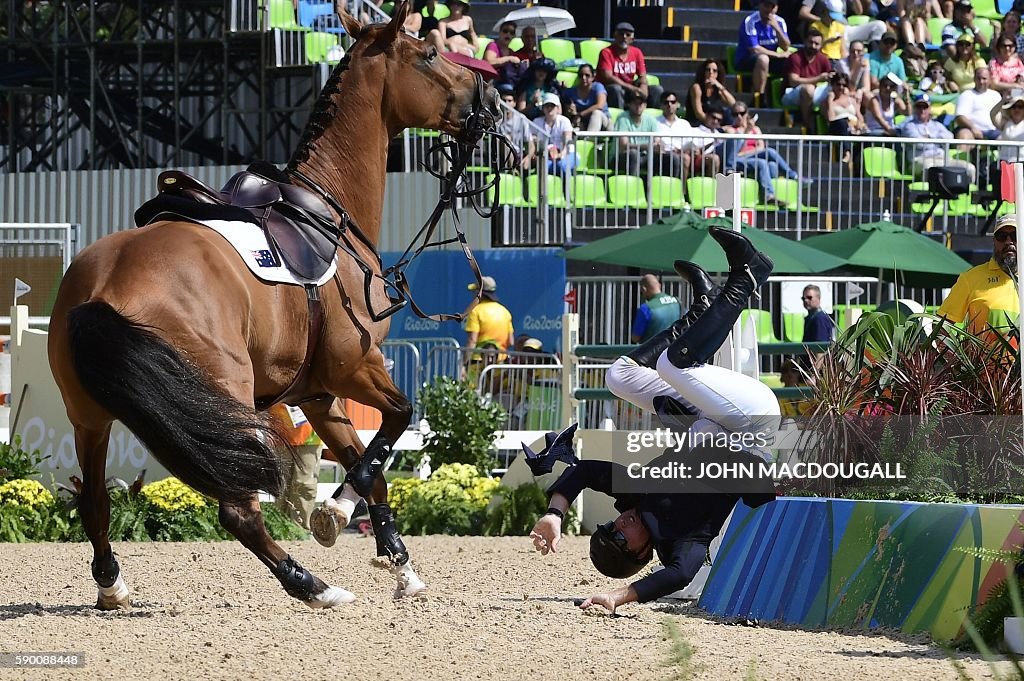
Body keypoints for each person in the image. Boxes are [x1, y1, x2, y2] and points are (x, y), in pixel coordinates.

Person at [532, 229, 780, 613]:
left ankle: (703, 307)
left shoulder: (634, 495)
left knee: (620, 376)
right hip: (752, 425)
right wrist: (619, 596)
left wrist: (554, 513)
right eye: (619, 536)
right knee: (672, 365)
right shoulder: (683, 541)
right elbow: (679, 576)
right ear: (640, 552)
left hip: (709, 421)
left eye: (610, 527)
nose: (619, 523)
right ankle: (747, 277)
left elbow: (585, 471)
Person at [937, 214, 1019, 337]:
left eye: (1015, 235)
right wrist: (951, 356)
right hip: (984, 357)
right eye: (1001, 236)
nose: (1008, 241)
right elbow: (940, 327)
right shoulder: (971, 278)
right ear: (994, 241)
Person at [731, 103, 810, 192]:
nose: (739, 117)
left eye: (741, 113)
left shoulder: (755, 129)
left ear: (746, 113)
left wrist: (753, 151)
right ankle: (792, 176)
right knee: (768, 153)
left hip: (754, 156)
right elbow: (737, 152)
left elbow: (761, 147)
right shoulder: (732, 130)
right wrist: (746, 133)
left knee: (772, 165)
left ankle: (772, 195)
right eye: (735, 114)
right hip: (740, 159)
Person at [900, 93, 977, 182]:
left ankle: (966, 194)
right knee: (929, 168)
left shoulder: (937, 125)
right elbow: (919, 143)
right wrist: (938, 139)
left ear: (929, 109)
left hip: (943, 158)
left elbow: (950, 138)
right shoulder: (909, 126)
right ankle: (928, 194)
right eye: (919, 107)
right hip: (920, 159)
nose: (922, 110)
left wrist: (929, 137)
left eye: (925, 107)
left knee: (970, 168)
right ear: (915, 108)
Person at [268, 402, 322, 531]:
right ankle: (281, 527)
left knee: (304, 483)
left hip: (310, 436)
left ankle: (300, 528)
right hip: (280, 433)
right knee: (281, 484)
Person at [734, 0, 793, 102]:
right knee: (763, 59)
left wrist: (777, 28)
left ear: (776, 8)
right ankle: (759, 98)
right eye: (766, 6)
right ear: (760, 6)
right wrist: (778, 55)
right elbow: (755, 49)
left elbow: (786, 46)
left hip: (771, 59)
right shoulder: (750, 21)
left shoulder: (780, 22)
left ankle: (785, 96)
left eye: (772, 7)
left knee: (792, 61)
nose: (769, 10)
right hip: (746, 58)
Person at [597, 22, 663, 109]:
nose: (624, 37)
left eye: (628, 35)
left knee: (657, 89)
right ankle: (619, 118)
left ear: (632, 39)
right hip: (612, 89)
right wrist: (632, 88)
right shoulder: (606, 52)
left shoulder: (637, 52)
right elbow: (608, 77)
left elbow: (642, 76)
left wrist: (644, 87)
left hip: (630, 89)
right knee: (615, 89)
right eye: (621, 34)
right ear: (615, 36)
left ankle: (651, 119)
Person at [782, 30, 834, 129]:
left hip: (814, 92)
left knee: (834, 90)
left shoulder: (823, 58)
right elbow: (793, 81)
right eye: (811, 42)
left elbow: (830, 76)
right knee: (808, 89)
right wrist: (818, 79)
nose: (813, 46)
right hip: (791, 93)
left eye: (817, 44)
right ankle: (807, 125)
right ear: (805, 41)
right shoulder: (795, 57)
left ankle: (833, 126)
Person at [613, 89, 671, 176]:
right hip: (620, 158)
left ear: (645, 105)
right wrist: (647, 146)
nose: (638, 105)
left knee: (673, 158)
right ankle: (633, 188)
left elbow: (657, 141)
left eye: (641, 103)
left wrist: (658, 146)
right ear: (629, 104)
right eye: (635, 102)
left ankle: (672, 188)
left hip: (645, 157)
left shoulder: (651, 119)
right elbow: (624, 145)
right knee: (633, 155)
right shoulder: (622, 118)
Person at [464, 275, 515, 355]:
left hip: (479, 363)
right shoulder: (505, 312)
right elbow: (511, 342)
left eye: (474, 291)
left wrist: (465, 362)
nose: (473, 294)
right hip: (500, 363)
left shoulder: (475, 311)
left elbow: (472, 340)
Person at [824, 72, 867, 165]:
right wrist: (830, 101)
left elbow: (859, 115)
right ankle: (847, 153)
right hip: (837, 127)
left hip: (853, 126)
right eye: (838, 84)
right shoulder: (828, 101)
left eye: (844, 85)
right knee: (843, 124)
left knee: (867, 133)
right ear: (833, 85)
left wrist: (859, 123)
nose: (841, 87)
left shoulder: (851, 100)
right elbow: (830, 119)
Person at [953, 68, 1001, 146]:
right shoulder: (966, 94)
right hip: (970, 130)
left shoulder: (996, 95)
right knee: (964, 135)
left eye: (984, 79)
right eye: (978, 78)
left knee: (1007, 137)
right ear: (974, 79)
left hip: (993, 132)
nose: (981, 81)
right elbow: (960, 117)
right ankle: (961, 158)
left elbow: (1001, 116)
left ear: (990, 80)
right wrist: (973, 128)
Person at [532, 92, 577, 176]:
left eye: (552, 106)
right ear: (543, 108)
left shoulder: (564, 121)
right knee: (543, 166)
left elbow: (567, 140)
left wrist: (561, 154)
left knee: (562, 166)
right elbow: (533, 139)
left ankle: (567, 189)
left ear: (557, 108)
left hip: (567, 153)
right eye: (547, 106)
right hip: (547, 155)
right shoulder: (537, 121)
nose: (549, 108)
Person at [495, 84, 536, 172]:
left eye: (509, 101)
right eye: (504, 100)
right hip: (501, 156)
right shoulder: (496, 120)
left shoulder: (521, 119)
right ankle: (512, 171)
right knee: (504, 141)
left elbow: (530, 143)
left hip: (519, 154)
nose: (506, 104)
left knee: (538, 154)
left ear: (514, 103)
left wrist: (528, 158)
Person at [686, 59, 737, 128]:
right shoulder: (696, 88)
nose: (711, 72)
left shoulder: (718, 90)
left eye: (714, 71)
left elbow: (733, 104)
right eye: (708, 70)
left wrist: (720, 87)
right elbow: (699, 113)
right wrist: (715, 126)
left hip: (714, 124)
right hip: (700, 124)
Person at [631, 274, 682, 344]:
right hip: (673, 349)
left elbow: (635, 338)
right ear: (659, 285)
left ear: (644, 289)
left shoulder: (646, 308)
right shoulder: (677, 302)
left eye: (641, 292)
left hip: (652, 351)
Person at [566, 64, 611, 132]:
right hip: (584, 124)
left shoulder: (598, 87)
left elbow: (600, 105)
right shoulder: (572, 92)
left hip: (604, 124)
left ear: (593, 77)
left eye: (587, 75)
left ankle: (588, 140)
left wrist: (581, 114)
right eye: (581, 75)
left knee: (596, 113)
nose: (584, 78)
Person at [486, 20, 525, 90]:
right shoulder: (493, 45)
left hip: (508, 82)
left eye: (512, 33)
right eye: (505, 31)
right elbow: (489, 62)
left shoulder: (511, 51)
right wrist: (509, 59)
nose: (508, 35)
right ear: (500, 32)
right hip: (492, 82)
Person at [992, 89, 1024, 163]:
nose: (1017, 109)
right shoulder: (1004, 123)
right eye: (1014, 106)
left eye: (1020, 107)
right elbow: (993, 114)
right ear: (1009, 109)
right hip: (1006, 161)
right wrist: (1003, 101)